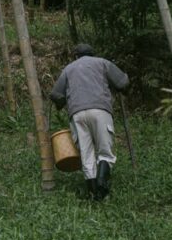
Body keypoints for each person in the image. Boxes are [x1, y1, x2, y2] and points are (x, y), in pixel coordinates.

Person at [50, 44, 130, 199]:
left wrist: (62, 103)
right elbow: (123, 83)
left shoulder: (68, 69)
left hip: (77, 114)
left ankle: (93, 194)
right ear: (92, 54)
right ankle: (102, 186)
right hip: (100, 110)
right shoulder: (102, 62)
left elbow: (56, 94)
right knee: (105, 152)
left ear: (75, 56)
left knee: (86, 154)